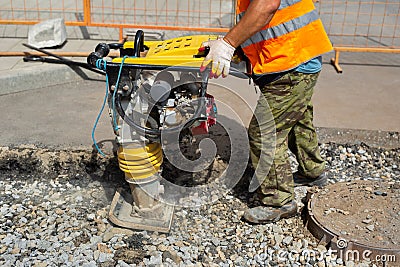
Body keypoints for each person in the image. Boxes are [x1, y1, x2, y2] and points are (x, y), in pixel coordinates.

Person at [200, 0, 333, 223]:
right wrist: (238, 45)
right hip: (295, 56)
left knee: (264, 132)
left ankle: (279, 201)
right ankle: (313, 171)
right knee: (296, 119)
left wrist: (229, 43)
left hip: (291, 62)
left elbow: (267, 5)